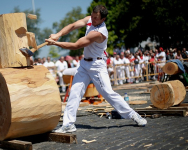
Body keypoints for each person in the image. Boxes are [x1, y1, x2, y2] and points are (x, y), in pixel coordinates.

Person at [45, 5, 147, 133]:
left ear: (103, 19)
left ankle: (132, 115)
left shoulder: (99, 33)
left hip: (97, 66)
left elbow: (76, 45)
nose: (92, 20)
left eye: (96, 19)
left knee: (108, 93)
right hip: (84, 64)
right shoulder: (90, 19)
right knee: (75, 93)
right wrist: (57, 34)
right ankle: (68, 124)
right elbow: (72, 25)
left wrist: (55, 43)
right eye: (92, 16)